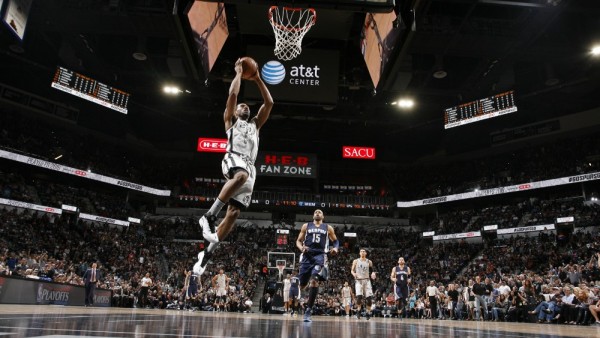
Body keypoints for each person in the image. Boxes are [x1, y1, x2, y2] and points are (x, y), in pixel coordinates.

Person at [193, 57, 274, 276]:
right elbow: (233, 95)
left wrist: (257, 78)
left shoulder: (256, 125)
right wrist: (239, 73)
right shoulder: (231, 120)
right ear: (235, 112)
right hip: (234, 158)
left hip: (250, 166)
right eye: (242, 106)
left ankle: (207, 254)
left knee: (234, 213)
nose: (244, 106)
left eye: (247, 106)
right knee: (240, 176)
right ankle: (208, 216)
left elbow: (269, 103)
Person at [295, 209, 339, 322]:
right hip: (307, 256)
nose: (317, 213)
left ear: (323, 216)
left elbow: (336, 241)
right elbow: (298, 241)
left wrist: (335, 248)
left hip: (320, 255)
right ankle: (299, 300)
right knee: (302, 285)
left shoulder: (328, 228)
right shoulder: (306, 226)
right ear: (313, 215)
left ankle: (308, 311)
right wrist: (301, 248)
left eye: (320, 212)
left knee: (314, 281)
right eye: (315, 212)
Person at [351, 248, 376, 320]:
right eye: (361, 251)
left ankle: (368, 312)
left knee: (369, 299)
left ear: (366, 253)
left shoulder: (369, 261)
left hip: (367, 281)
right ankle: (358, 310)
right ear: (359, 253)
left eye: (364, 251)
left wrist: (373, 274)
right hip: (358, 281)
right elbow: (352, 270)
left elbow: (372, 270)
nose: (362, 252)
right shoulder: (356, 261)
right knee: (359, 297)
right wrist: (354, 274)